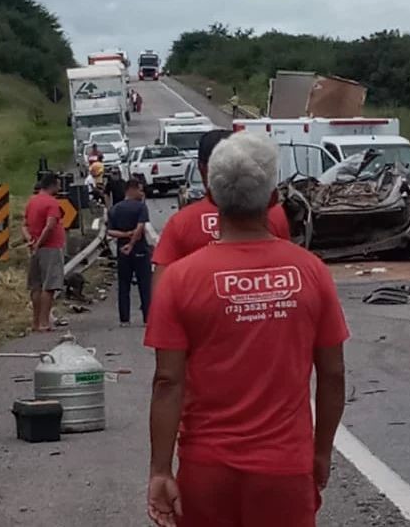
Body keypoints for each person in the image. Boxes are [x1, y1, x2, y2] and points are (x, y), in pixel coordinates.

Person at [145, 132, 348, 527]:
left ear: (213, 194)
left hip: (206, 469)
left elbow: (168, 381)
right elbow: (333, 373)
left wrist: (160, 471)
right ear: (272, 198)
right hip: (286, 468)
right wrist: (321, 452)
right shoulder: (311, 272)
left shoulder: (180, 279)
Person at [152, 129, 290, 287]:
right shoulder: (276, 215)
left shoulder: (181, 223)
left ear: (202, 168)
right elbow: (287, 266)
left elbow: (160, 288)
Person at [23, 173, 65, 332]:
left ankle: (35, 322)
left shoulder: (32, 201)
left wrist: (31, 240)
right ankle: (44, 322)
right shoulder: (52, 202)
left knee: (36, 285)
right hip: (50, 248)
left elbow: (24, 225)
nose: (60, 188)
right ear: (52, 185)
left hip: (35, 248)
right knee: (49, 286)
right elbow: (50, 226)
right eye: (58, 185)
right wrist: (40, 242)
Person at [108, 179, 152, 326]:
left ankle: (124, 319)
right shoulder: (141, 207)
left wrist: (125, 236)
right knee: (144, 284)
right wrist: (132, 243)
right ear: (131, 190)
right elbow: (140, 228)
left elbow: (110, 231)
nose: (142, 193)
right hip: (139, 249)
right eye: (140, 190)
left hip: (122, 250)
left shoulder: (114, 209)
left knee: (123, 284)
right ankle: (148, 317)